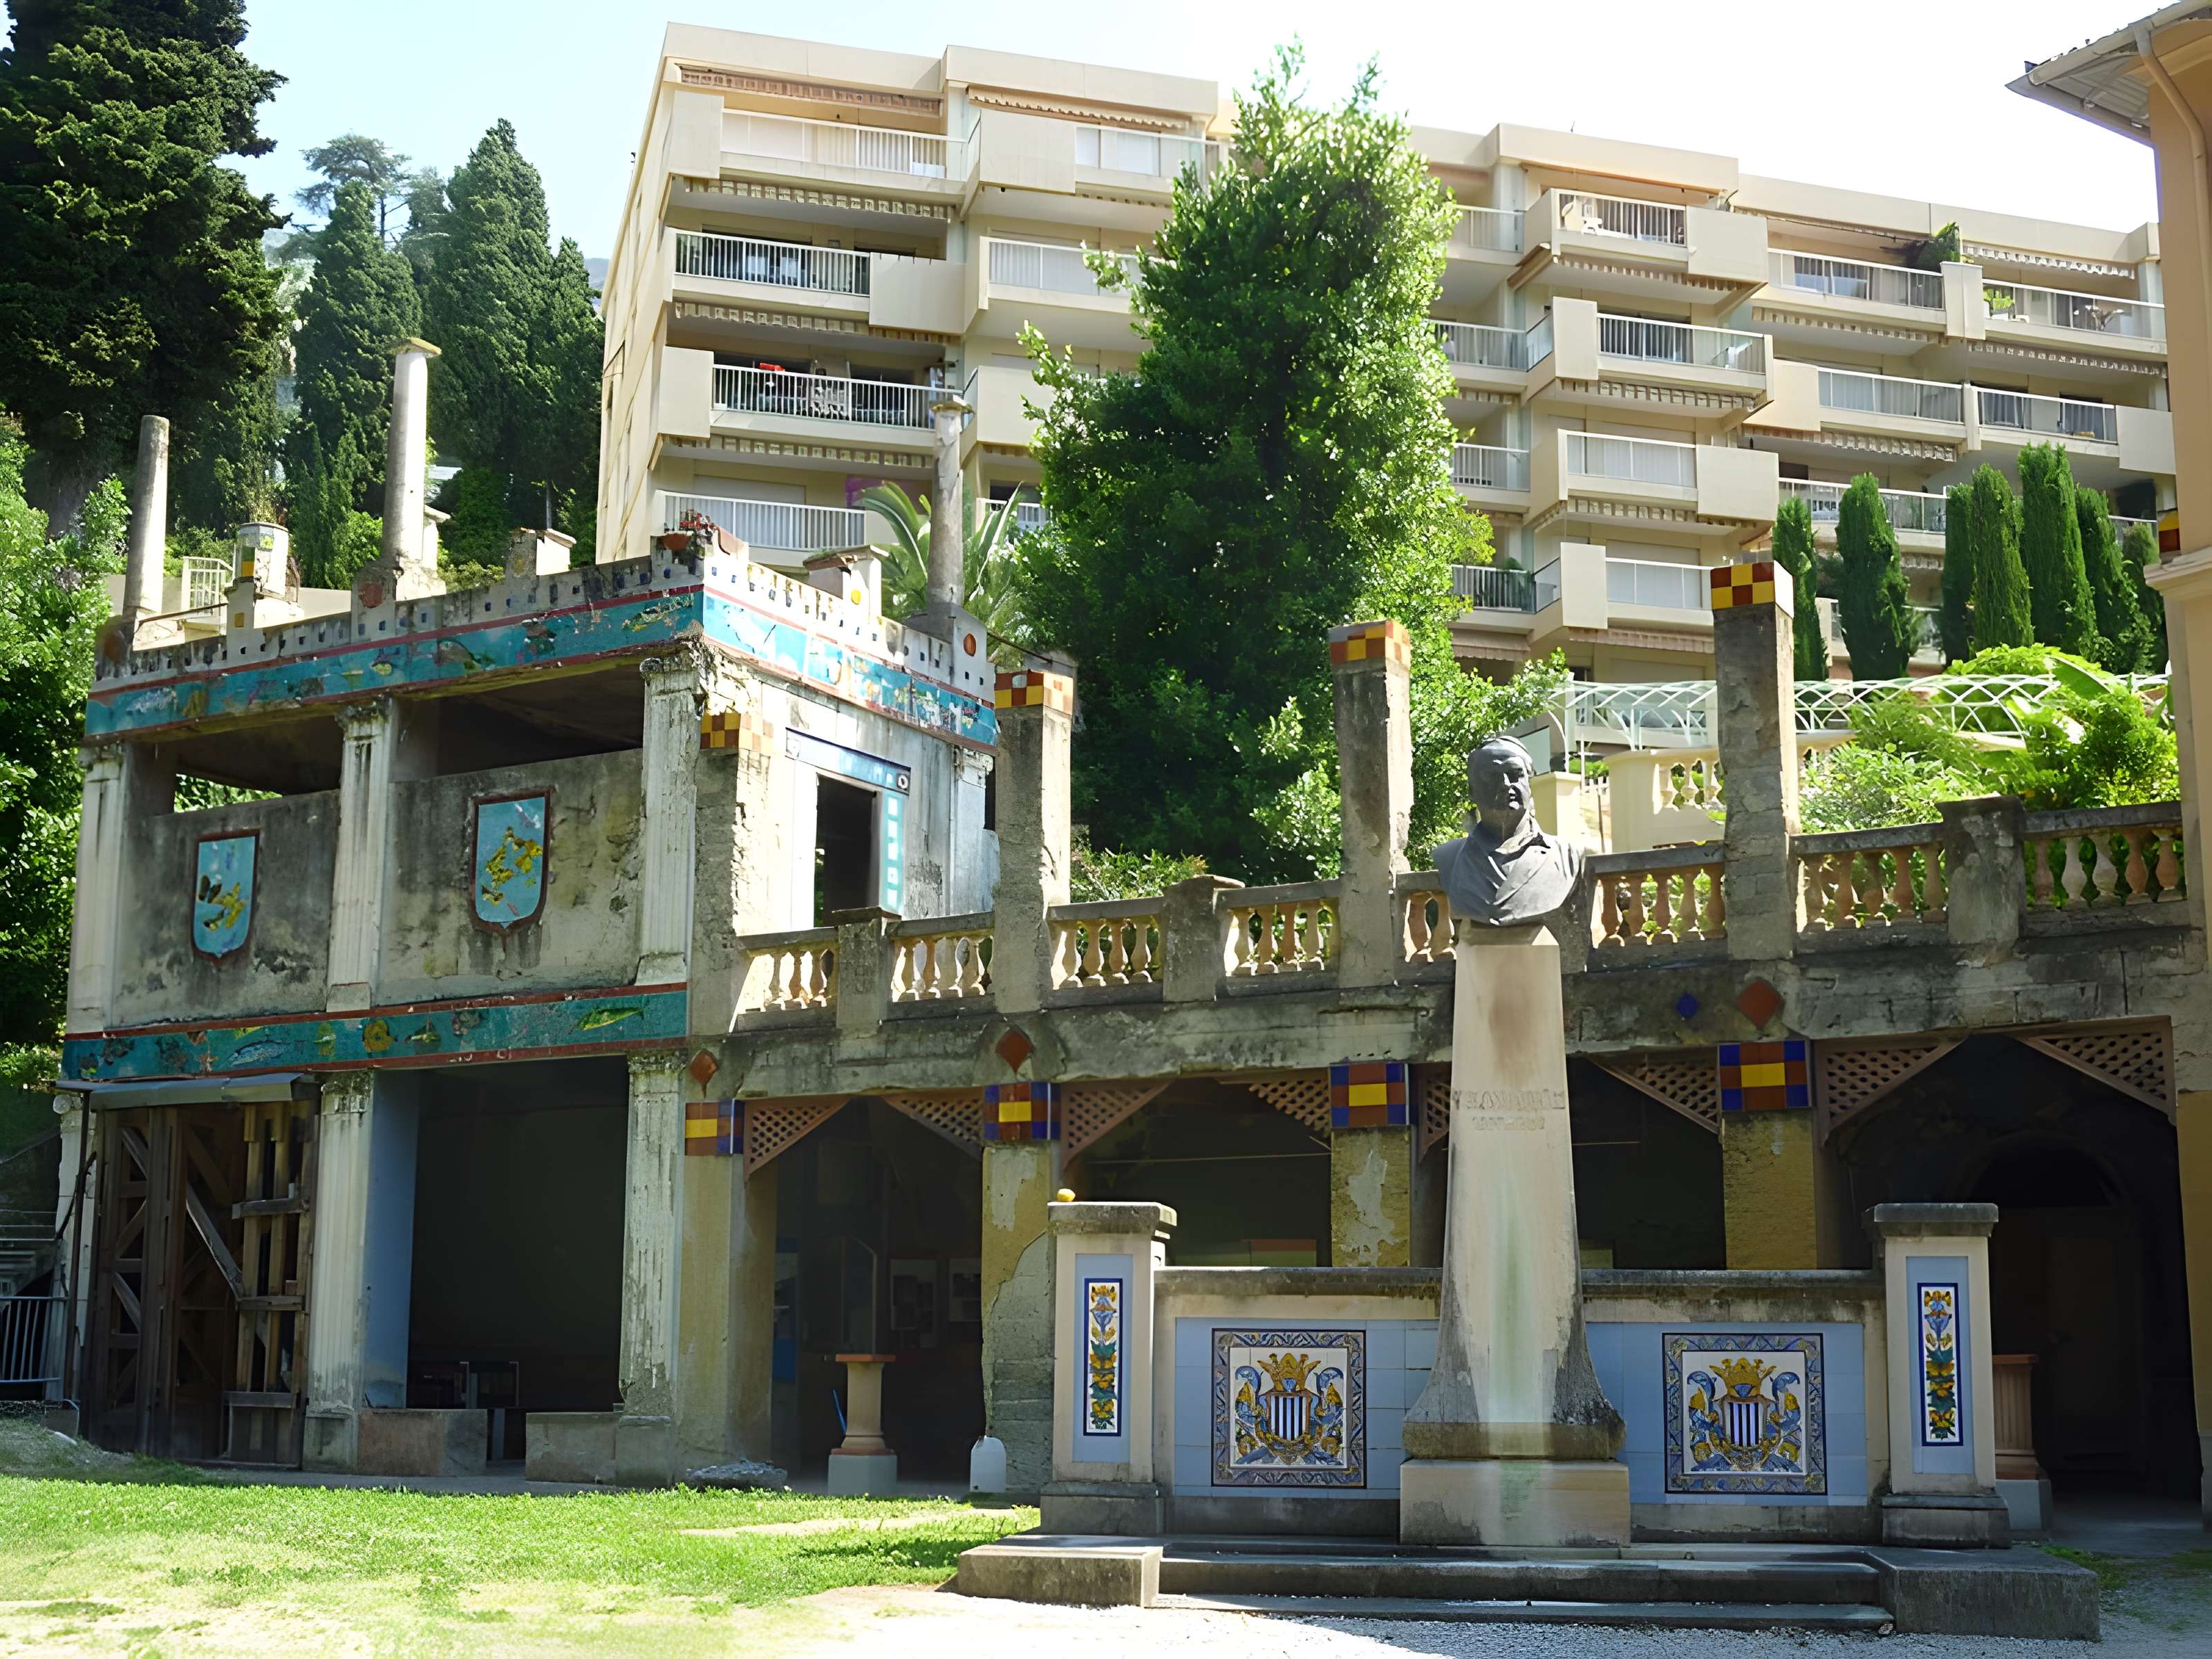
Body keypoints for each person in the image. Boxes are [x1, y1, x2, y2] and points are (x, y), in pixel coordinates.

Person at [1432, 735, 1584, 927]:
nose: (1505, 784)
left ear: (1529, 783)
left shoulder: (1568, 857)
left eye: (1515, 774)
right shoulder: (1447, 858)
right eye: (1491, 776)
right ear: (1472, 791)